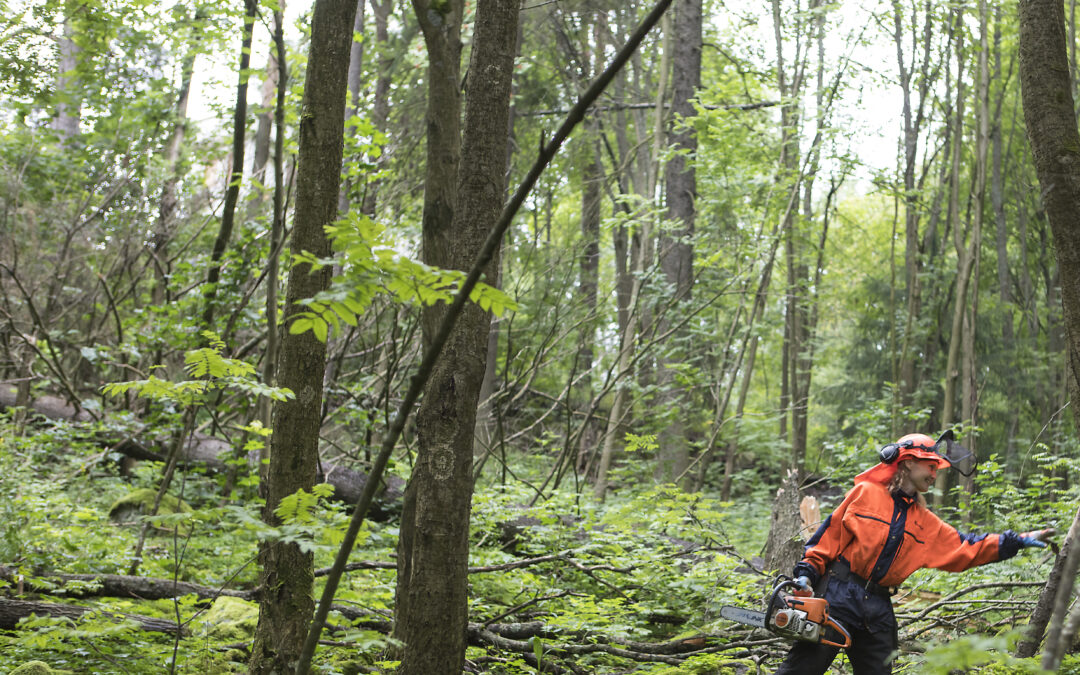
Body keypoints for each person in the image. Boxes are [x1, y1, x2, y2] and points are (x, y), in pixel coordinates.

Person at [774, 432, 1055, 675]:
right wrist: (806, 577)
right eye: (930, 466)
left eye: (937, 468)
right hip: (839, 595)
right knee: (802, 669)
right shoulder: (865, 493)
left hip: (878, 608)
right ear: (907, 462)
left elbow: (968, 547)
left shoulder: (925, 521)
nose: (934, 474)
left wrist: (1016, 541)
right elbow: (828, 537)